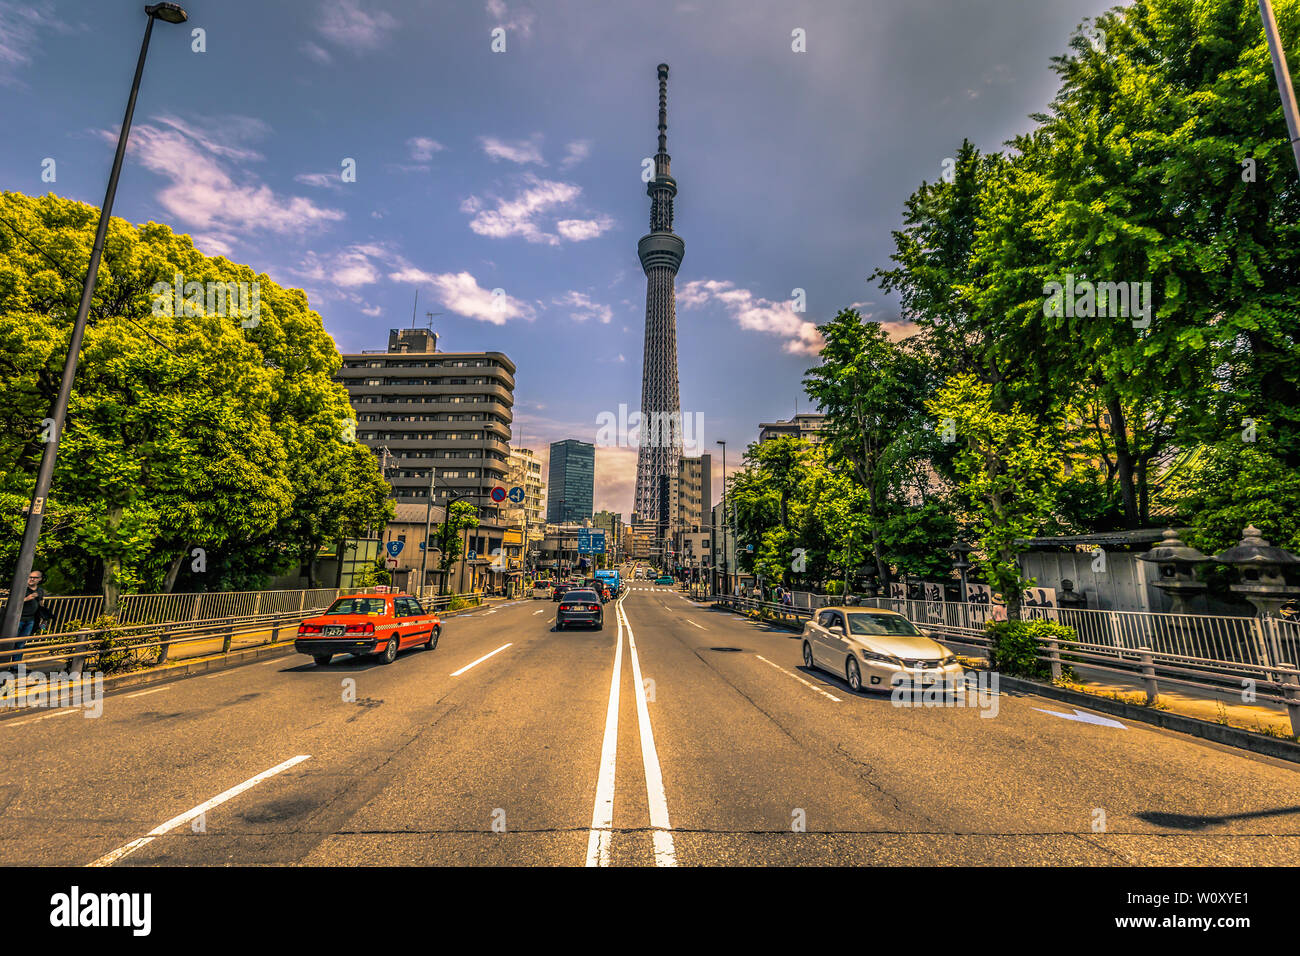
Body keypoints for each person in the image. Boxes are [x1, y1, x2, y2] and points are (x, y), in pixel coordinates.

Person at [3, 569, 45, 666]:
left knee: (21, 643)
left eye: (35, 577)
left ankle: (15, 666)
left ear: (40, 579)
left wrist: (43, 617)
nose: (32, 579)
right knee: (9, 643)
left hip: (30, 620)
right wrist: (26, 599)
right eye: (30, 577)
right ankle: (4, 665)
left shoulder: (40, 590)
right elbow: (12, 603)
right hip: (17, 620)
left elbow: (41, 603)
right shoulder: (21, 589)